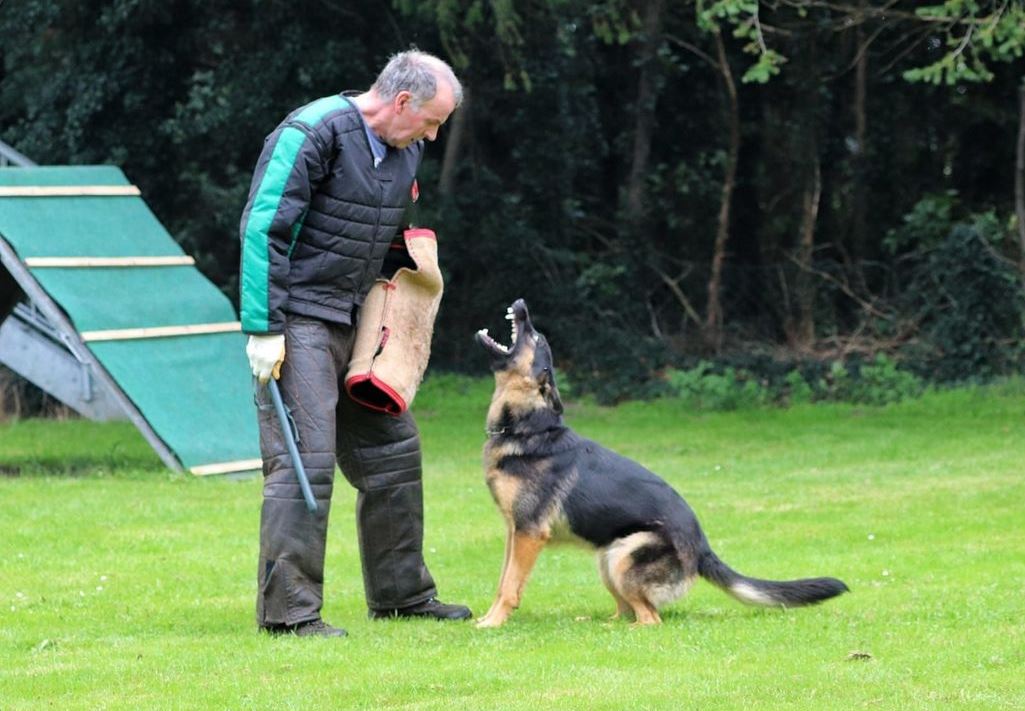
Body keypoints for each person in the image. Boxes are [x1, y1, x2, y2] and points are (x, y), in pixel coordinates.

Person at [238, 50, 470, 638]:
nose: (434, 135)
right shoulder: (311, 132)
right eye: (431, 121)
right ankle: (289, 615)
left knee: (394, 454)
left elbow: (382, 233)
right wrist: (264, 327)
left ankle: (403, 597)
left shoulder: (404, 149)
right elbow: (264, 227)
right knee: (304, 464)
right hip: (298, 322)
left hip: (356, 322)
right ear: (400, 103)